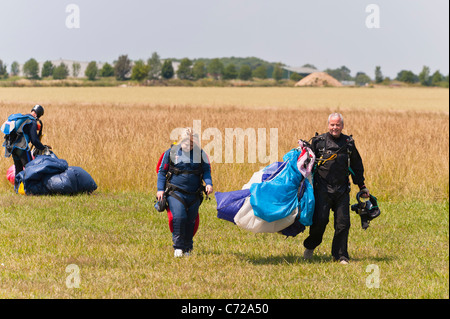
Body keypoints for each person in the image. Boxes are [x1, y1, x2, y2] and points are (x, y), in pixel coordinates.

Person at [303, 113, 369, 264]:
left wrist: (362, 186)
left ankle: (340, 256)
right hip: (322, 190)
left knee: (343, 223)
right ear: (328, 125)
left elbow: (356, 166)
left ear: (342, 126)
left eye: (337, 125)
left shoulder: (349, 143)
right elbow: (306, 165)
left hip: (342, 190)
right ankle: (310, 246)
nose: (335, 128)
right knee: (320, 221)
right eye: (332, 125)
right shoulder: (318, 142)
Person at [156, 128, 213, 257]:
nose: (189, 146)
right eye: (186, 143)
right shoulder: (170, 153)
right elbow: (162, 172)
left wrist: (209, 184)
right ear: (181, 140)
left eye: (192, 144)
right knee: (179, 217)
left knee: (190, 221)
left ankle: (188, 248)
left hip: (194, 194)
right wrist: (160, 190)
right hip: (175, 192)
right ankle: (178, 248)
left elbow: (206, 171)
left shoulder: (200, 154)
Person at [3, 105, 51, 175]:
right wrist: (43, 147)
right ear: (39, 114)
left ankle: (17, 186)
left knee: (18, 170)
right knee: (30, 169)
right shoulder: (32, 121)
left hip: (12, 148)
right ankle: (28, 186)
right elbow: (34, 140)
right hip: (21, 148)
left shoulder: (24, 118)